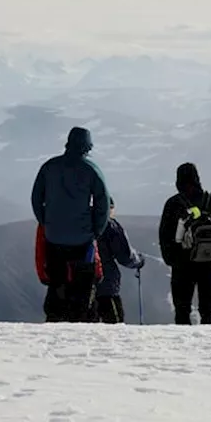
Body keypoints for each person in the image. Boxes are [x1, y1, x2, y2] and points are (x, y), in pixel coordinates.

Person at [31, 126, 111, 322]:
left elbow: (36, 198)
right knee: (83, 287)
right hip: (82, 240)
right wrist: (96, 230)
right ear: (87, 146)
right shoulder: (91, 170)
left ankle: (54, 320)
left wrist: (46, 222)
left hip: (54, 238)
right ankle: (80, 322)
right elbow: (103, 203)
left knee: (57, 282)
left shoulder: (49, 167)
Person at [158, 162, 211, 325]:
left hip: (182, 264)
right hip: (209, 262)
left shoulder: (173, 203)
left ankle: (184, 347)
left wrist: (171, 260)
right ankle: (208, 345)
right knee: (208, 311)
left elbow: (164, 234)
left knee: (182, 310)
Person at [95, 196, 144, 324]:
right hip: (106, 287)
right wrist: (139, 261)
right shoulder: (109, 226)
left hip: (79, 287)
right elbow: (125, 256)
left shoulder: (78, 223)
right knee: (114, 328)